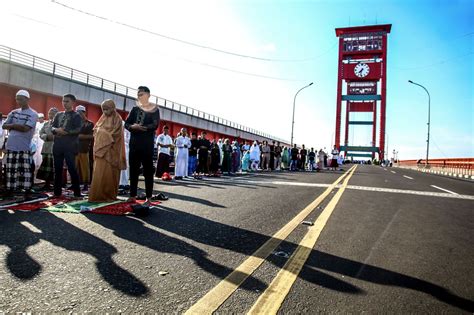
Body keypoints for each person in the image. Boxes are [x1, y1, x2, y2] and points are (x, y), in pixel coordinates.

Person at [124, 86, 161, 204]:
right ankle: (132, 195)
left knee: (148, 171)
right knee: (133, 170)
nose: (140, 96)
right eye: (138, 94)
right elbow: (127, 123)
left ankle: (149, 197)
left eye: (142, 94)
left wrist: (142, 128)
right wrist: (132, 127)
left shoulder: (154, 109)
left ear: (148, 95)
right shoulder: (134, 109)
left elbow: (155, 125)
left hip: (147, 144)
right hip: (134, 143)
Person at [1, 90, 38, 199]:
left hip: (24, 146)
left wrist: (12, 125)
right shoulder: (13, 112)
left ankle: (27, 192)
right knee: (10, 170)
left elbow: (26, 128)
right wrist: (17, 125)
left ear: (27, 99)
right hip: (11, 145)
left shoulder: (33, 114)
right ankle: (10, 191)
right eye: (17, 99)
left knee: (24, 170)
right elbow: (4, 126)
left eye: (20, 99)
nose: (18, 101)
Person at [88, 100, 126, 202]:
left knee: (110, 173)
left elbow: (116, 135)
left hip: (111, 151)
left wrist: (103, 133)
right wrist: (100, 132)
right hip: (101, 152)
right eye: (103, 109)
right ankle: (98, 195)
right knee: (99, 173)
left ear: (112, 108)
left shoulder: (117, 119)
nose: (105, 112)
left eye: (107, 109)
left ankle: (109, 195)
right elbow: (95, 130)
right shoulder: (102, 118)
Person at [51, 94, 82, 197]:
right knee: (57, 169)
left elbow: (78, 129)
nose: (64, 103)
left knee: (72, 168)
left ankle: (77, 192)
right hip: (58, 145)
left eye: (67, 101)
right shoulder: (58, 115)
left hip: (70, 145)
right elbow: (52, 127)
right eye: (63, 101)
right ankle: (57, 192)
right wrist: (56, 130)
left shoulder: (76, 115)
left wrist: (67, 132)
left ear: (73, 102)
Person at [36, 107, 58, 189]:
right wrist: (46, 137)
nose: (50, 115)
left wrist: (53, 137)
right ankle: (47, 183)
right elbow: (41, 133)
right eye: (49, 113)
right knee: (45, 166)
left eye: (52, 113)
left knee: (53, 167)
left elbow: (61, 134)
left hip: (55, 148)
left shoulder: (59, 124)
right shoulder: (46, 124)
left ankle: (54, 184)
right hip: (46, 147)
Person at [75, 105, 94, 191]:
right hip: (74, 148)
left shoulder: (90, 123)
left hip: (84, 148)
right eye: (77, 112)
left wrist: (79, 136)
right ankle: (74, 183)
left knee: (84, 167)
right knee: (74, 167)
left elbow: (92, 136)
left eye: (80, 112)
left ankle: (86, 184)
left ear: (84, 112)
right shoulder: (74, 123)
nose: (78, 114)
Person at [119, 120, 131, 190]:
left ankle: (125, 183)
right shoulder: (117, 132)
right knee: (120, 168)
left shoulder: (127, 132)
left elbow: (129, 141)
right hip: (119, 151)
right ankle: (120, 183)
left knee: (126, 167)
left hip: (126, 150)